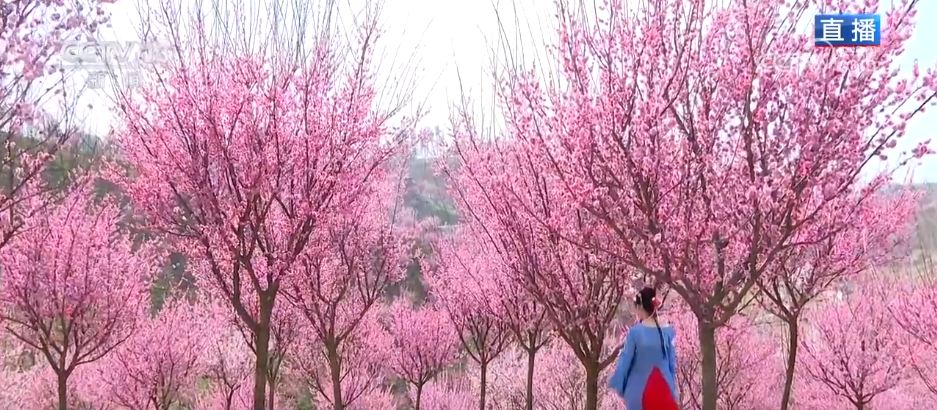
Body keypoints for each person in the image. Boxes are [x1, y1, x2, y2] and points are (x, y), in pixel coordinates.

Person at [608, 287, 679, 410]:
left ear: (640, 307)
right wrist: (672, 390)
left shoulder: (635, 333)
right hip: (664, 392)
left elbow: (625, 361)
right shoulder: (668, 332)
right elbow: (672, 365)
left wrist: (618, 384)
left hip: (639, 392)